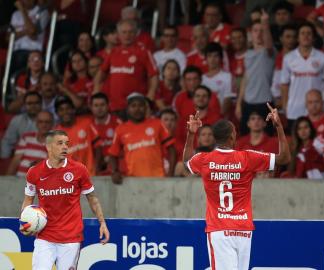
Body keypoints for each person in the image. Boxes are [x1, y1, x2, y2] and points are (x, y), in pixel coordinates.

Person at [183, 103, 290, 270]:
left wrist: (191, 134)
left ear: (214, 137)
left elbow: (186, 163)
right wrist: (279, 127)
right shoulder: (247, 157)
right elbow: (284, 158)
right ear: (232, 137)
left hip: (219, 230)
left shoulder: (204, 160)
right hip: (243, 230)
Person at [20, 129, 110, 269]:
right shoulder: (34, 172)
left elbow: (92, 198)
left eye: (67, 143)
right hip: (45, 237)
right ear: (48, 146)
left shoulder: (79, 170)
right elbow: (28, 200)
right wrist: (24, 221)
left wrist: (102, 223)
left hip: (71, 238)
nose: (65, 147)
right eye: (60, 143)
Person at [94, 19, 159, 116]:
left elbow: (154, 76)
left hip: (135, 107)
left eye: (130, 32)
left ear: (136, 34)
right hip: (114, 107)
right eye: (124, 32)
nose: (127, 35)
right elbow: (100, 74)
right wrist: (96, 92)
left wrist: (149, 98)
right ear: (118, 34)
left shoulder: (143, 51)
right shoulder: (113, 52)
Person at [108, 94, 176, 183]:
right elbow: (113, 154)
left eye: (141, 106)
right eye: (133, 106)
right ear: (128, 109)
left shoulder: (157, 124)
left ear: (145, 108)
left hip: (158, 178)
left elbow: (172, 150)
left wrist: (170, 173)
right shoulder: (121, 129)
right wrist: (115, 171)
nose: (137, 109)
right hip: (133, 180)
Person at [280, 22, 324, 127]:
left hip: (317, 108)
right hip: (295, 108)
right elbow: (284, 84)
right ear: (298, 38)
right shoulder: (288, 58)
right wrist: (285, 105)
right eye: (302, 33)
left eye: (309, 33)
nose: (305, 36)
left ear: (313, 38)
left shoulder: (323, 57)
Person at [236, 9, 276, 136]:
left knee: (267, 140)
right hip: (248, 103)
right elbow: (246, 79)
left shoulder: (269, 52)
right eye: (255, 31)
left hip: (266, 103)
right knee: (246, 139)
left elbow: (268, 45)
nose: (259, 34)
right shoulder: (247, 54)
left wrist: (265, 24)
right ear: (250, 34)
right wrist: (239, 103)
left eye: (262, 31)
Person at [54, 96, 102, 176]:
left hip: (90, 175)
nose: (65, 112)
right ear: (57, 113)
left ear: (73, 110)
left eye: (68, 108)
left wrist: (96, 167)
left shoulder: (87, 123)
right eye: (61, 110)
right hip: (70, 179)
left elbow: (98, 146)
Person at [7, 111, 53, 177]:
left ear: (52, 124)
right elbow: (15, 162)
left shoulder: (54, 143)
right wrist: (7, 182)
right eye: (40, 122)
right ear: (36, 123)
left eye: (47, 122)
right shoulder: (26, 137)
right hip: (18, 180)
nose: (44, 125)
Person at [10, 0, 49, 74]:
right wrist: (26, 31)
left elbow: (33, 35)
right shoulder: (15, 14)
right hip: (15, 50)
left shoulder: (42, 12)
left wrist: (22, 10)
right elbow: (9, 38)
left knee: (19, 59)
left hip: (32, 50)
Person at [1, 91, 42, 158]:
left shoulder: (49, 120)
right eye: (29, 103)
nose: (33, 106)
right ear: (24, 105)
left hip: (41, 158)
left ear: (41, 104)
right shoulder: (17, 120)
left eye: (36, 103)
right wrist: (5, 159)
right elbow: (8, 142)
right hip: (20, 157)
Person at [89, 93, 122, 174]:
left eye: (102, 105)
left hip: (117, 167)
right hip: (96, 168)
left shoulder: (118, 123)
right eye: (96, 105)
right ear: (91, 107)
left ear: (108, 105)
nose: (99, 108)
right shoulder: (88, 125)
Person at [202, 42, 236, 116]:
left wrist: (218, 117)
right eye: (209, 56)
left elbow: (229, 100)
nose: (212, 59)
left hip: (221, 118)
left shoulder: (228, 77)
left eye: (216, 56)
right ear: (206, 59)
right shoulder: (201, 79)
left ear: (221, 58)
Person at [271, 24, 297, 107]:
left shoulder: (301, 59)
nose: (291, 40)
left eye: (294, 37)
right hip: (276, 104)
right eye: (288, 37)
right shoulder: (275, 58)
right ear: (281, 38)